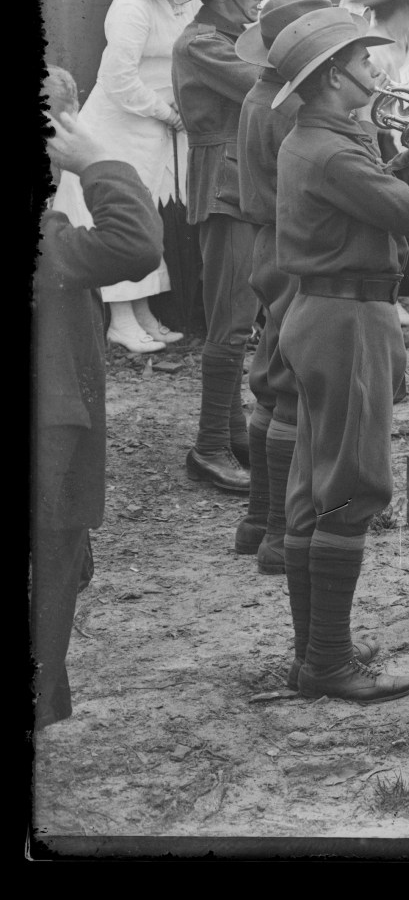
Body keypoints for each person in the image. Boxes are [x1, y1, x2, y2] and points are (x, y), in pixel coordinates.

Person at [271, 7, 409, 703]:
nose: (375, 70)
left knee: (319, 485)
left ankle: (317, 652)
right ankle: (328, 663)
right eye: (362, 62)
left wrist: (407, 157)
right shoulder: (332, 149)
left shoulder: (325, 138)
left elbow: (382, 197)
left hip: (328, 313)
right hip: (345, 319)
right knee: (351, 485)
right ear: (331, 78)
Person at [36, 86, 167, 728]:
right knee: (55, 563)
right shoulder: (49, 244)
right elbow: (136, 244)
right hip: (50, 432)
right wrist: (99, 165)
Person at [171, 0, 287, 497]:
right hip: (224, 180)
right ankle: (209, 446)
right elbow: (264, 88)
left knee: (246, 314)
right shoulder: (201, 44)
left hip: (240, 176)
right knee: (231, 322)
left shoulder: (222, 37)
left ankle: (230, 431)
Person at [55, 0, 200, 353]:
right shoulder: (130, 6)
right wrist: (164, 112)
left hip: (159, 125)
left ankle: (143, 313)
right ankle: (119, 318)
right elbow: (115, 78)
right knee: (114, 213)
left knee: (147, 213)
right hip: (120, 122)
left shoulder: (181, 2)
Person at [233, 0, 332, 560]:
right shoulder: (290, 107)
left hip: (271, 245)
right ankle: (277, 532)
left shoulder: (260, 93)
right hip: (296, 248)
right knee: (291, 389)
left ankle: (257, 521)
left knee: (271, 381)